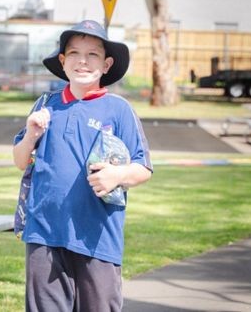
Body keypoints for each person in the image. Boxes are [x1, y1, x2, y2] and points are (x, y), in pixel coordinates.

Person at [13, 20, 153, 311]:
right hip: (44, 233)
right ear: (63, 61)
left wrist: (118, 174)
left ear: (106, 64)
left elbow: (143, 168)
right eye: (74, 53)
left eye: (93, 55)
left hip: (98, 238)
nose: (83, 61)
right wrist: (30, 135)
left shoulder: (119, 110)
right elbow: (19, 161)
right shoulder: (45, 106)